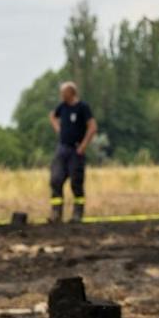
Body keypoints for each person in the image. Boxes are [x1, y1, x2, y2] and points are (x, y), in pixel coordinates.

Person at [47, 81, 97, 223]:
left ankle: (77, 213)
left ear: (71, 92)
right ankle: (56, 213)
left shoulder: (83, 107)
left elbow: (92, 127)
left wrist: (83, 145)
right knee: (56, 180)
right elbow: (52, 116)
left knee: (76, 182)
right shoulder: (62, 107)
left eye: (63, 92)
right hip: (62, 149)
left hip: (76, 150)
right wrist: (59, 129)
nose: (61, 95)